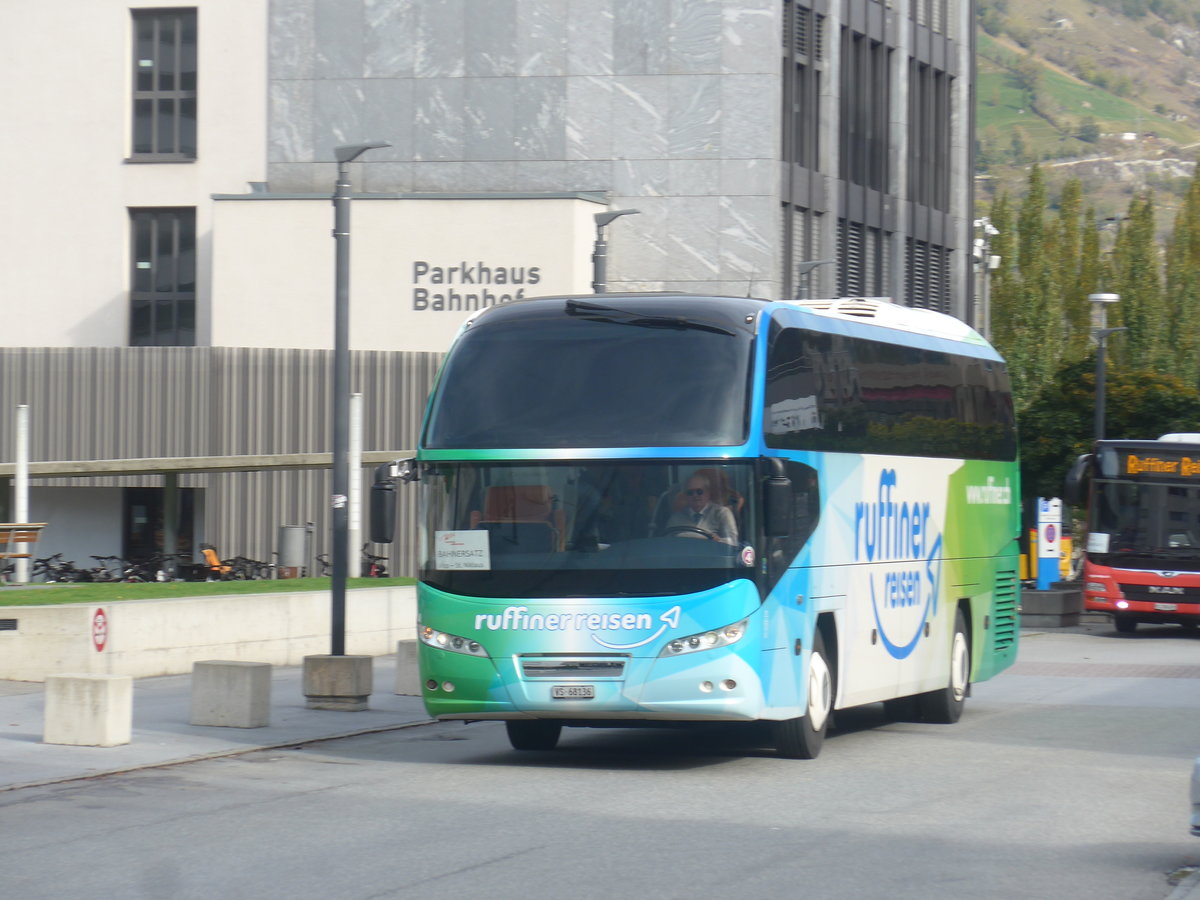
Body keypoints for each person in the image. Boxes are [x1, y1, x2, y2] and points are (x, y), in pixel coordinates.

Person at [667, 472, 738, 545]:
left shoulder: (722, 513)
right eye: (690, 492)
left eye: (699, 491)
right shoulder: (676, 518)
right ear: (686, 496)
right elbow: (667, 543)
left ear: (708, 493)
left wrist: (718, 541)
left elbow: (733, 542)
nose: (695, 495)